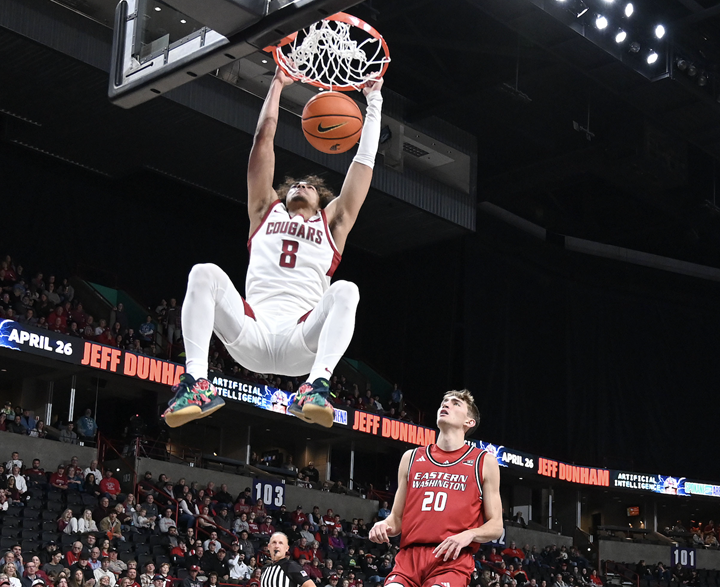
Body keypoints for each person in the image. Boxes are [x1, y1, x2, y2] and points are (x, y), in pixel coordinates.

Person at [161, 68, 385, 429]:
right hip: (252, 329)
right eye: (295, 183)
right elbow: (263, 142)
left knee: (347, 290)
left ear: (322, 198)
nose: (300, 185)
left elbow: (364, 165)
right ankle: (195, 383)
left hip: (301, 338)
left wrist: (374, 102)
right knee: (203, 272)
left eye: (309, 185)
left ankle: (316, 387)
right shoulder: (264, 209)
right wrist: (277, 84)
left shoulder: (334, 222)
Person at [369, 390, 502, 587]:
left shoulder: (483, 461)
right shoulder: (411, 458)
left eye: (455, 403)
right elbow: (396, 519)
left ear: (469, 422)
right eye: (444, 401)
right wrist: (383, 526)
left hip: (451, 559)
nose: (446, 405)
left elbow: (496, 525)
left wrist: (469, 534)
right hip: (409, 559)